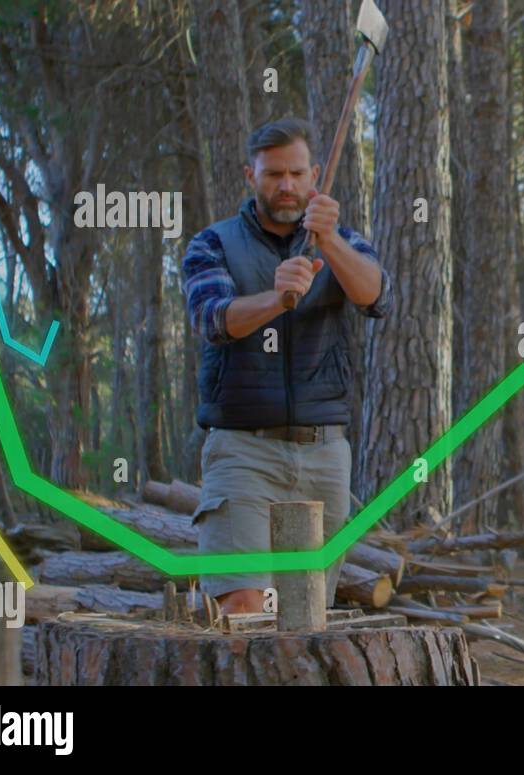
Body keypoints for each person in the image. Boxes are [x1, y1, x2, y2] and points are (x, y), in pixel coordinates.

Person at [179, 117, 392, 614]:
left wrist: (330, 241)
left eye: (297, 173)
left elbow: (377, 297)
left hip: (325, 455)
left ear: (315, 174)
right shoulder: (212, 244)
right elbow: (212, 318)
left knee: (304, 618)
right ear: (248, 177)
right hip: (242, 452)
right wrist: (277, 299)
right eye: (273, 174)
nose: (286, 185)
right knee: (244, 608)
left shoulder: (343, 241)